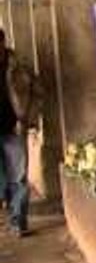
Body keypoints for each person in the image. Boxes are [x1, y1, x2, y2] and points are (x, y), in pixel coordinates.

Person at [0, 28, 43, 238]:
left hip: (14, 129)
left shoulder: (19, 68)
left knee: (18, 177)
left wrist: (27, 119)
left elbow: (38, 93)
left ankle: (18, 222)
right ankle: (9, 213)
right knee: (2, 180)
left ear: (3, 43)